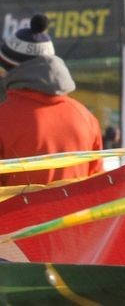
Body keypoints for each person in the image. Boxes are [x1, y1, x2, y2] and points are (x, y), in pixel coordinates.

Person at [0, 14, 104, 186]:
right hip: (76, 213)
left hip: (18, 213)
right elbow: (96, 184)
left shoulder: (4, 118)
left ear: (13, 70)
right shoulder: (86, 117)